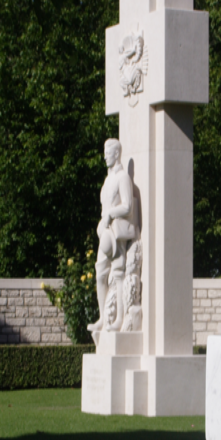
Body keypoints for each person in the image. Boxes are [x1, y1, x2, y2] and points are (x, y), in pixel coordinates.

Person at [89, 139, 137, 331]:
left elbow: (128, 206)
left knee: (118, 274)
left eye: (107, 152)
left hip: (117, 231)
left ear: (116, 154)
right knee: (100, 273)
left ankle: (119, 318)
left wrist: (110, 214)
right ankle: (103, 317)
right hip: (105, 232)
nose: (105, 156)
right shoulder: (108, 180)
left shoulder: (123, 177)